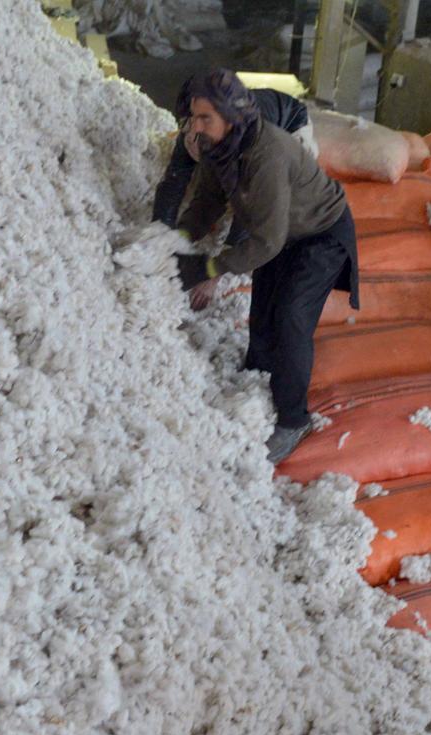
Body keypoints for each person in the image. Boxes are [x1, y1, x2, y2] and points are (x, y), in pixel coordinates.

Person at [170, 70, 358, 463]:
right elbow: (207, 202)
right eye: (194, 117)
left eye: (206, 118)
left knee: (290, 317)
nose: (196, 126)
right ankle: (256, 381)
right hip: (281, 234)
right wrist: (175, 240)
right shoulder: (217, 148)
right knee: (262, 316)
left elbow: (267, 241)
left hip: (319, 234)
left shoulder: (265, 153)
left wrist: (209, 269)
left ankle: (293, 419)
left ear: (231, 116)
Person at [152, 85, 310, 229]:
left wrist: (231, 247)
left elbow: (249, 201)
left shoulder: (249, 139)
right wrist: (161, 229)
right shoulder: (189, 136)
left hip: (292, 122)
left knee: (276, 197)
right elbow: (173, 182)